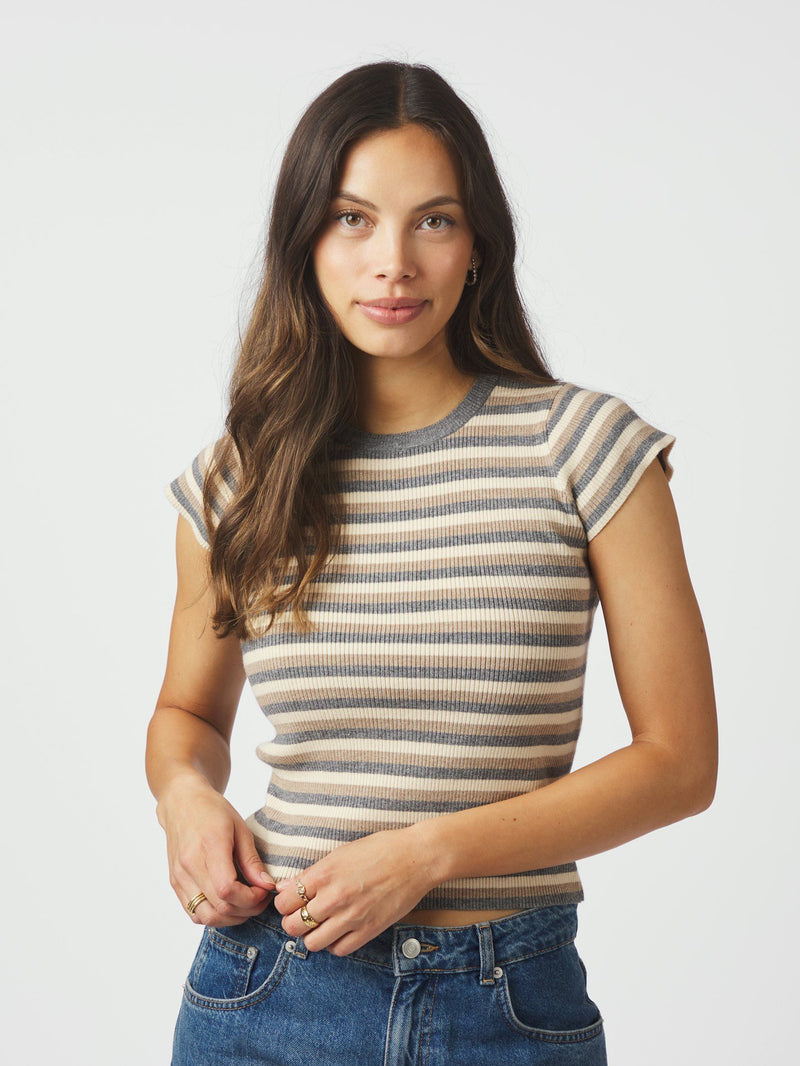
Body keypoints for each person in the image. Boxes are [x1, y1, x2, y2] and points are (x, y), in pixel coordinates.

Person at [146, 60, 718, 1065]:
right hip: (268, 992)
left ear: (478, 244)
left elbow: (679, 763)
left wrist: (428, 853)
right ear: (304, 241)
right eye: (352, 219)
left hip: (508, 1003)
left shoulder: (585, 449)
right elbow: (185, 717)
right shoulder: (237, 480)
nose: (393, 263)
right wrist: (185, 798)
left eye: (434, 221)